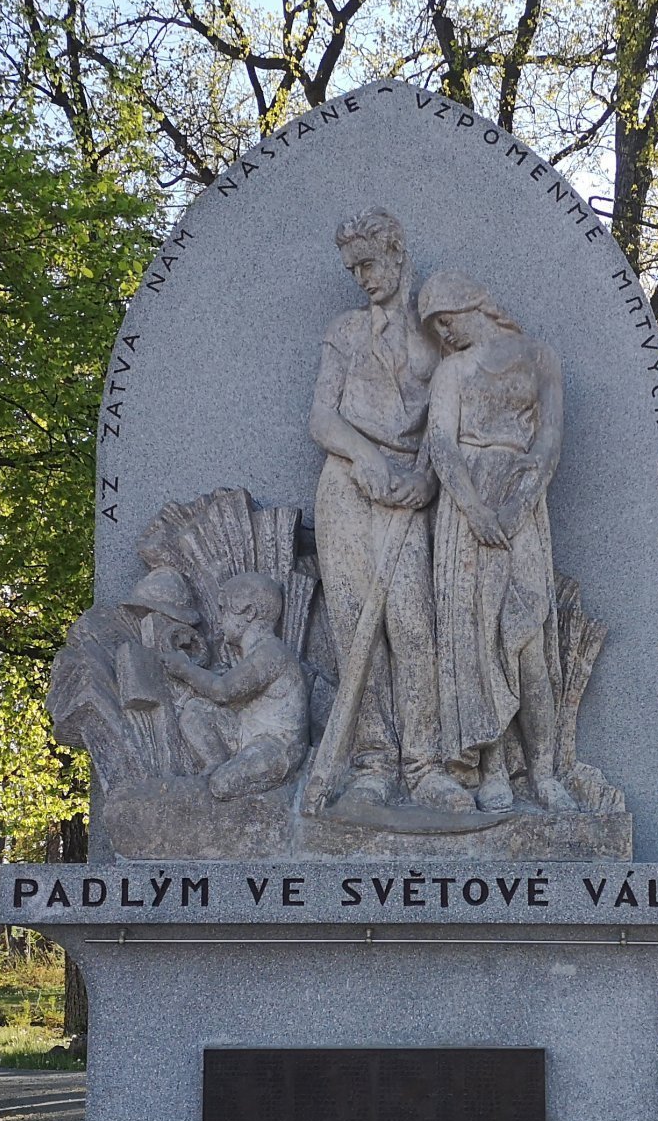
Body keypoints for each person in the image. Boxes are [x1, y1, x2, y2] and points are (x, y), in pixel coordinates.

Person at [306, 209, 473, 814]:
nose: (361, 278)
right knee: (357, 628)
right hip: (348, 488)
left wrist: (427, 475)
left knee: (411, 621)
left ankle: (424, 764)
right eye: (352, 269)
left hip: (410, 490)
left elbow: (451, 419)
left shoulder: (436, 332)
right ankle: (374, 762)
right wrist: (363, 458)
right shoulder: (345, 333)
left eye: (369, 263)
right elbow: (322, 416)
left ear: (397, 253)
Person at [417, 271, 574, 812]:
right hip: (465, 515)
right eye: (435, 328)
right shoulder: (452, 372)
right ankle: (492, 770)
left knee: (528, 640)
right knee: (475, 642)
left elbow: (550, 436)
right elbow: (441, 443)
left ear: (471, 304)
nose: (444, 334)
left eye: (446, 319)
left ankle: (545, 772)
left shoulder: (539, 358)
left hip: (522, 501)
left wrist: (518, 503)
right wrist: (474, 509)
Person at [160, 573, 309, 801]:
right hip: (244, 732)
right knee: (194, 711)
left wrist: (185, 669)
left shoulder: (271, 653)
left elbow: (222, 691)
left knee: (223, 785)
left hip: (276, 746)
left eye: (224, 610)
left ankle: (228, 783)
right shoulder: (254, 653)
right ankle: (215, 763)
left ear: (249, 613)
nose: (219, 619)